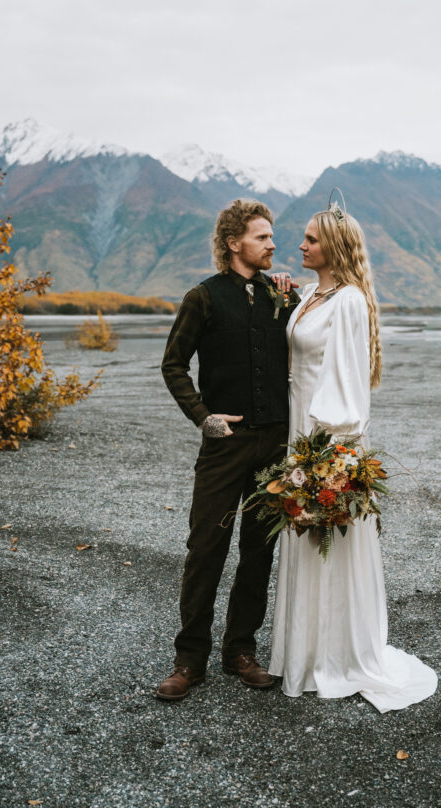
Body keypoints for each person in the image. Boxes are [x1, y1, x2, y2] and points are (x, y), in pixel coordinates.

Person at [269, 203, 438, 712]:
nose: (300, 246)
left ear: (335, 247)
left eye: (310, 240)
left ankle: (337, 655)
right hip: (299, 428)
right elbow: (304, 340)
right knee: (306, 543)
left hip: (323, 438)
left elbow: (345, 384)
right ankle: (306, 650)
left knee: (328, 540)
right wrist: (286, 295)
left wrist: (330, 455)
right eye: (302, 238)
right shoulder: (315, 296)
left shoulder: (347, 303)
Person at [156, 199, 299, 701]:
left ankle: (240, 651)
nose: (273, 244)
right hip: (224, 446)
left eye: (272, 236)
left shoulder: (282, 297)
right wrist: (204, 417)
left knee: (259, 550)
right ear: (234, 242)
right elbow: (173, 365)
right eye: (262, 236)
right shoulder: (204, 297)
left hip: (274, 444)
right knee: (206, 550)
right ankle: (189, 660)